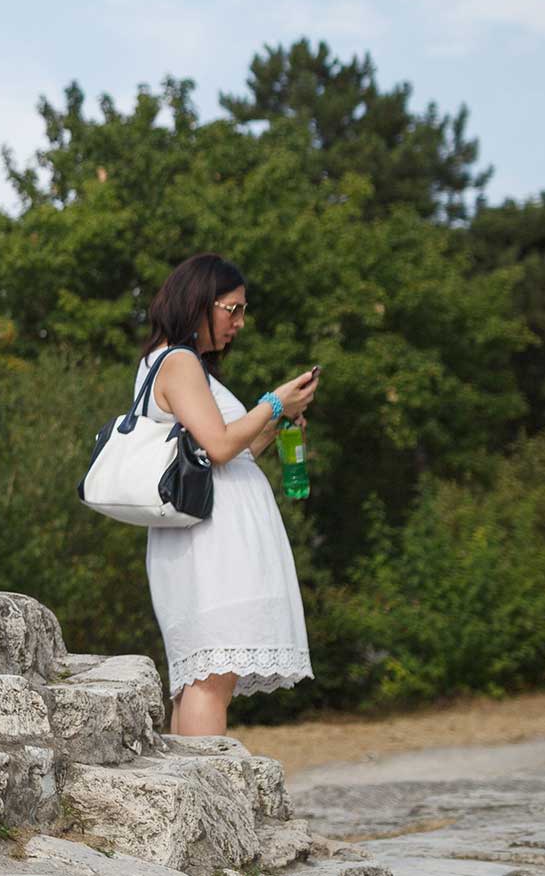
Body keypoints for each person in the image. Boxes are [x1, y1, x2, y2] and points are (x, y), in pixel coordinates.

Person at [136, 253, 318, 735]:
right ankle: (205, 780)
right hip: (210, 546)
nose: (239, 322)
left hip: (208, 541)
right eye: (231, 309)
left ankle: (190, 782)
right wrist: (273, 402)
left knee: (204, 678)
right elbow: (218, 446)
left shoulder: (178, 363)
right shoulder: (178, 362)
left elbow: (231, 451)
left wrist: (275, 422)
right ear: (198, 303)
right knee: (210, 678)